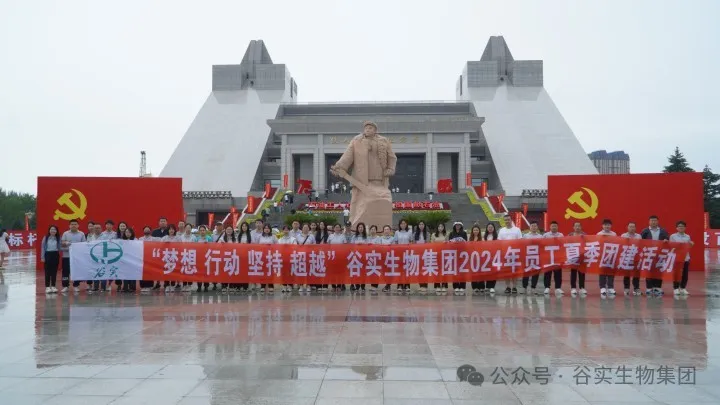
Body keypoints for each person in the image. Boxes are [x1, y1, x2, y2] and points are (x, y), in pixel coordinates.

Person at [641, 215, 670, 296]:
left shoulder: (663, 231)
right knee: (649, 271)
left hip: (660, 255)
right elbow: (640, 242)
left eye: (655, 220)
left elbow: (668, 239)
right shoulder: (645, 231)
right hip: (648, 254)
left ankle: (657, 287)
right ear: (649, 222)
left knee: (658, 271)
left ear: (658, 221)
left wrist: (666, 240)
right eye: (652, 221)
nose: (653, 222)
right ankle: (649, 288)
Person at [61, 219, 87, 293]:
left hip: (77, 257)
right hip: (66, 256)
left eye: (75, 224)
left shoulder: (81, 234)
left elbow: (84, 245)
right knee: (65, 271)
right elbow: (62, 243)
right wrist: (66, 243)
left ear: (78, 225)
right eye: (72, 224)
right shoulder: (65, 233)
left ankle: (76, 285)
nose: (73, 225)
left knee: (77, 271)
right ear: (69, 225)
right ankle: (65, 286)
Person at [497, 215, 521, 295]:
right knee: (506, 271)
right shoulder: (502, 230)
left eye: (508, 219)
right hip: (505, 254)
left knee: (514, 271)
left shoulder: (517, 230)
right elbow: (499, 242)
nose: (507, 221)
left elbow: (520, 241)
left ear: (511, 220)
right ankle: (508, 287)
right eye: (505, 220)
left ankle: (514, 287)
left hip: (515, 253)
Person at [670, 220, 693, 296]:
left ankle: (683, 288)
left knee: (685, 274)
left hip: (686, 258)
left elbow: (688, 246)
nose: (681, 228)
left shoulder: (687, 236)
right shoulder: (673, 236)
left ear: (685, 228)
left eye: (682, 226)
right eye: (679, 226)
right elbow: (671, 246)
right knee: (676, 274)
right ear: (676, 228)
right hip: (676, 258)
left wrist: (691, 244)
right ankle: (676, 288)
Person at [597, 219, 617, 297]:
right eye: (605, 225)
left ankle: (610, 287)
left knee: (611, 272)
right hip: (602, 255)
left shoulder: (614, 234)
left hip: (612, 255)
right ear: (602, 226)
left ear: (611, 226)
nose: (607, 226)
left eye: (608, 225)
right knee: (602, 272)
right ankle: (602, 287)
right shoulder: (599, 234)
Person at [543, 221, 564, 296]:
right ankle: (547, 287)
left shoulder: (561, 235)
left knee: (558, 273)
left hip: (557, 257)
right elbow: (542, 245)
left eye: (555, 226)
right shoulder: (546, 235)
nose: (554, 227)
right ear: (550, 227)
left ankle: (558, 287)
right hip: (548, 257)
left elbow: (563, 245)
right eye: (552, 226)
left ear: (557, 227)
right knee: (547, 273)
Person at [522, 221, 543, 295]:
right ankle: (524, 288)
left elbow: (542, 247)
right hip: (527, 257)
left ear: (537, 227)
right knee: (526, 273)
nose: (533, 227)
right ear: (529, 227)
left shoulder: (540, 237)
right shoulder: (525, 236)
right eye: (532, 226)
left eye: (535, 226)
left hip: (536, 257)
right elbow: (522, 246)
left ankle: (533, 288)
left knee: (535, 273)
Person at [620, 222, 641, 296]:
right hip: (626, 257)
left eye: (633, 227)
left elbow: (640, 246)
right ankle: (626, 288)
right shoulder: (623, 235)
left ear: (635, 228)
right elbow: (621, 246)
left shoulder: (638, 236)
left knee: (636, 274)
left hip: (636, 257)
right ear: (627, 227)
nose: (632, 228)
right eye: (630, 227)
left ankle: (636, 288)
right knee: (626, 274)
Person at [448, 222, 468, 294]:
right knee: (455, 271)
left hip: (462, 253)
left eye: (459, 225)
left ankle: (462, 286)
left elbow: (466, 243)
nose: (457, 226)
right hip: (453, 253)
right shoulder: (451, 233)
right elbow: (449, 243)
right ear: (454, 226)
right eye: (456, 225)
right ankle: (456, 286)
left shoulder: (464, 233)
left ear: (461, 226)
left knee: (462, 270)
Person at [568, 222, 587, 296]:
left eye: (579, 226)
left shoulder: (584, 235)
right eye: (576, 226)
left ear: (581, 227)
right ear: (573, 227)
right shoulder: (570, 235)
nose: (577, 227)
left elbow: (587, 244)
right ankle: (573, 288)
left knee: (582, 272)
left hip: (582, 256)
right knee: (573, 272)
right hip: (573, 256)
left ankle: (582, 287)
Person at [394, 219, 413, 293]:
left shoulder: (409, 232)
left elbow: (411, 242)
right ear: (399, 225)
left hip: (407, 254)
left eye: (404, 223)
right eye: (401, 223)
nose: (403, 225)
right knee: (400, 270)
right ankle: (400, 285)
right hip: (399, 254)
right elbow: (395, 243)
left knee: (407, 270)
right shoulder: (397, 232)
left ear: (406, 224)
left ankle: (407, 285)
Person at [257, 224, 278, 293]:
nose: (266, 229)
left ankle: (271, 285)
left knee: (270, 271)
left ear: (270, 229)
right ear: (263, 229)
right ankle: (262, 286)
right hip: (262, 256)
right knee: (262, 271)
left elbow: (277, 245)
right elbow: (256, 246)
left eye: (268, 228)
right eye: (265, 228)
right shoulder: (260, 237)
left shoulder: (273, 236)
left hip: (270, 256)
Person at [161, 224, 182, 292]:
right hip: (166, 257)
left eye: (172, 229)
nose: (171, 230)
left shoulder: (178, 238)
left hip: (174, 257)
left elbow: (181, 247)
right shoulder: (164, 238)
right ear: (168, 230)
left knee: (173, 271)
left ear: (174, 230)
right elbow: (160, 246)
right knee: (166, 271)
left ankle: (172, 285)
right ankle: (166, 285)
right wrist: (165, 244)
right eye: (170, 229)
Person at [296, 223, 316, 293]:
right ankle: (301, 286)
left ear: (309, 228)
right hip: (301, 256)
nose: (305, 229)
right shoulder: (298, 236)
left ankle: (308, 285)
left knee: (308, 271)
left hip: (309, 256)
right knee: (301, 271)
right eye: (304, 227)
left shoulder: (311, 236)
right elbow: (296, 246)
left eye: (307, 227)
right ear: (302, 229)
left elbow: (314, 246)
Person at [41, 225, 61, 293]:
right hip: (48, 255)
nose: (53, 231)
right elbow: (43, 248)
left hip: (55, 255)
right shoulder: (46, 238)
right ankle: (47, 287)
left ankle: (53, 286)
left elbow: (60, 248)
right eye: (51, 229)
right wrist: (42, 257)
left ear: (56, 231)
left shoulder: (58, 238)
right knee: (47, 272)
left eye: (54, 229)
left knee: (54, 272)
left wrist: (67, 244)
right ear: (49, 230)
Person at [351, 222, 369, 292]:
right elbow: (351, 246)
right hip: (356, 257)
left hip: (364, 256)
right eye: (359, 227)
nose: (360, 229)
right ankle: (357, 285)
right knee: (357, 271)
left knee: (363, 271)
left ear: (364, 229)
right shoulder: (354, 237)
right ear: (357, 229)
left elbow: (368, 246)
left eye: (362, 227)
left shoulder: (366, 237)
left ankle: (363, 286)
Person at [278, 225, 297, 293]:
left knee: (290, 272)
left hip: (291, 258)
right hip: (282, 258)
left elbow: (295, 248)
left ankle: (289, 285)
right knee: (283, 272)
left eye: (287, 230)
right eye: (284, 230)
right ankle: (284, 285)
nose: (286, 231)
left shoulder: (293, 239)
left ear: (289, 230)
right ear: (282, 231)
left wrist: (288, 248)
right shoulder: (280, 240)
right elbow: (279, 248)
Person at [217, 225, 236, 293]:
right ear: (225, 230)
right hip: (224, 258)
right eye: (228, 229)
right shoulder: (222, 238)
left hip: (232, 258)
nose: (229, 231)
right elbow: (217, 246)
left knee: (232, 271)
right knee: (224, 272)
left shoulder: (235, 239)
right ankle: (224, 286)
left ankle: (231, 286)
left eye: (230, 229)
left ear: (232, 231)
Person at [138, 225, 157, 292]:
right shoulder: (140, 239)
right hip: (142, 258)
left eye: (148, 229)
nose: (146, 230)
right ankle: (143, 286)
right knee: (142, 272)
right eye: (145, 229)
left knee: (149, 272)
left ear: (150, 231)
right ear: (143, 231)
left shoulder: (153, 239)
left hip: (150, 258)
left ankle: (149, 286)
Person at [431, 223, 448, 294]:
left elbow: (448, 244)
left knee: (444, 270)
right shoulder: (433, 235)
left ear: (444, 227)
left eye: (442, 226)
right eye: (439, 226)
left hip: (444, 255)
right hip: (436, 254)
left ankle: (444, 285)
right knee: (437, 270)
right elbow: (432, 244)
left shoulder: (446, 235)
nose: (440, 228)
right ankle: (437, 285)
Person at [379, 225, 397, 293]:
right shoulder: (381, 238)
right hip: (383, 257)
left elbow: (394, 247)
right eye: (385, 229)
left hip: (390, 257)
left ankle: (388, 285)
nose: (386, 231)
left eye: (388, 229)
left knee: (390, 272)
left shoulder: (393, 238)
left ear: (390, 230)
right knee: (384, 272)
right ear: (383, 231)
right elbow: (379, 247)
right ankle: (387, 284)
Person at [482, 222, 499, 294]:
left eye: (491, 227)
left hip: (495, 256)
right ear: (487, 228)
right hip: (486, 256)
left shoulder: (497, 236)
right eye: (489, 227)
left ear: (494, 228)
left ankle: (492, 286)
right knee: (486, 271)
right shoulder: (484, 236)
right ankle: (487, 286)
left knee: (493, 272)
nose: (490, 228)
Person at [120, 227, 137, 293]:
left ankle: (132, 287)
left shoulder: (136, 240)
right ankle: (125, 287)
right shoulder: (122, 241)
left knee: (133, 274)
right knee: (125, 274)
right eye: (126, 232)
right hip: (125, 260)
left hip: (133, 260)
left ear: (132, 233)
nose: (127, 233)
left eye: (129, 232)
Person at [414, 221, 429, 293]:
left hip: (425, 254)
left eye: (422, 224)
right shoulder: (415, 234)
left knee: (425, 270)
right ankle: (421, 285)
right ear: (418, 226)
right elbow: (413, 244)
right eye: (420, 224)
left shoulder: (427, 234)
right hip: (417, 255)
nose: (421, 225)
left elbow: (429, 244)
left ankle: (425, 286)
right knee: (419, 271)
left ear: (424, 225)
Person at [468, 225, 483, 295]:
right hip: (472, 258)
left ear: (479, 231)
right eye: (474, 230)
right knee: (473, 272)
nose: (475, 231)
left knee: (480, 272)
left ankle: (481, 286)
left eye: (477, 230)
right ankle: (474, 287)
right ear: (472, 231)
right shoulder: (470, 238)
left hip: (480, 257)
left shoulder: (482, 238)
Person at [315, 221, 330, 291]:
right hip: (317, 253)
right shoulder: (316, 233)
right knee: (318, 269)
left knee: (325, 269)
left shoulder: (328, 234)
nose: (322, 225)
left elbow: (329, 243)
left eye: (323, 224)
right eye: (320, 224)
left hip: (325, 253)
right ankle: (318, 285)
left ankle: (325, 285)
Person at [368, 225, 381, 292]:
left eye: (374, 229)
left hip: (376, 256)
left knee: (376, 271)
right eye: (372, 229)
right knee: (371, 271)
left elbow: (379, 247)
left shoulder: (379, 238)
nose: (373, 230)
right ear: (370, 230)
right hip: (370, 257)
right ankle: (372, 285)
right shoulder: (368, 238)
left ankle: (375, 286)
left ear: (376, 230)